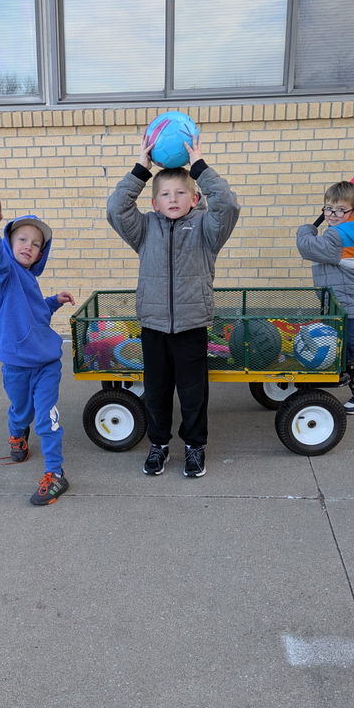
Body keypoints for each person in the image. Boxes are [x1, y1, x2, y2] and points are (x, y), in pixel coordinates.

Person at [107, 133, 241, 478]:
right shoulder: (144, 229)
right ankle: (159, 445)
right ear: (154, 203)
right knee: (157, 392)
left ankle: (195, 447)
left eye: (181, 192)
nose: (173, 198)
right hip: (153, 326)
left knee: (193, 393)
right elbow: (116, 208)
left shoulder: (207, 229)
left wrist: (199, 166)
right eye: (165, 194)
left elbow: (227, 204)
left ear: (195, 199)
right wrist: (141, 168)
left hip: (191, 325)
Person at [0, 213, 74, 505]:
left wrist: (53, 301)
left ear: (40, 254)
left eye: (36, 244)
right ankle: (18, 432)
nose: (28, 246)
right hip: (17, 364)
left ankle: (55, 474)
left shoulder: (30, 279)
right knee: (21, 410)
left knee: (47, 418)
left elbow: (37, 313)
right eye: (21, 239)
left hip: (46, 363)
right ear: (9, 242)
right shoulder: (5, 274)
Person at [296, 180, 354, 413]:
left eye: (341, 209)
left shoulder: (339, 237)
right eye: (328, 208)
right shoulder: (349, 229)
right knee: (338, 341)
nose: (333, 214)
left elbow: (306, 247)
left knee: (351, 343)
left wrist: (307, 229)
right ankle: (331, 374)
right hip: (343, 296)